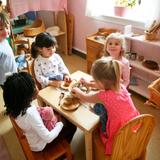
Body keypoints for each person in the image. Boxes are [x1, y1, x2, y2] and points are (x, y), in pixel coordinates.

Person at [71, 58, 139, 155]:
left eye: (94, 80)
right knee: (103, 108)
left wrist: (77, 91)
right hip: (134, 122)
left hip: (120, 131)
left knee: (98, 122)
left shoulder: (103, 96)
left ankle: (105, 136)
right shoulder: (120, 86)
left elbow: (85, 97)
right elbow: (103, 86)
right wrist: (88, 84)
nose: (93, 81)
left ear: (101, 83)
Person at [3, 72, 76, 152]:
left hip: (33, 138)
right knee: (71, 125)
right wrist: (61, 123)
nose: (37, 87)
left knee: (55, 112)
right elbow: (48, 138)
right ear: (26, 95)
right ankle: (62, 156)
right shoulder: (30, 114)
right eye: (34, 86)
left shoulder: (16, 107)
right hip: (41, 145)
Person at [0, 12, 17, 89]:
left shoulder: (5, 41)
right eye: (1, 29)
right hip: (5, 79)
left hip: (13, 74)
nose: (5, 31)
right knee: (11, 97)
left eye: (7, 27)